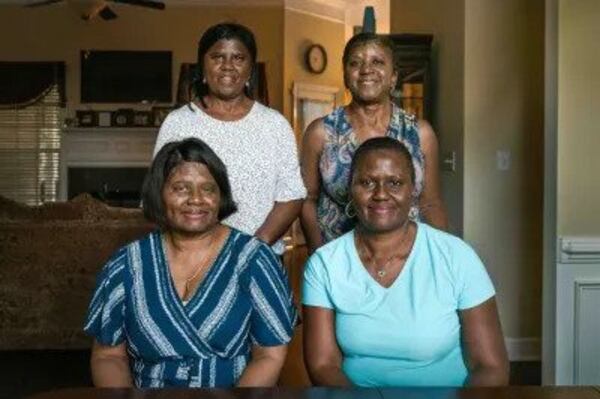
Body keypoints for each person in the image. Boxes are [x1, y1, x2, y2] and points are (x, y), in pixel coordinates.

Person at [84, 138, 297, 388]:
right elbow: (108, 356)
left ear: (221, 197)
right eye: (181, 188)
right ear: (159, 194)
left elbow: (270, 356)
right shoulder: (126, 265)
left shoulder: (255, 260)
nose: (196, 199)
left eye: (208, 189)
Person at [302, 137, 508, 387]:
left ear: (413, 190)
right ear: (350, 189)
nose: (380, 194)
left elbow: (490, 367)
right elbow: (323, 365)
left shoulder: (457, 257)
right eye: (366, 182)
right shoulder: (325, 264)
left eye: (395, 183)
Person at [153, 23, 306, 255]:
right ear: (202, 66)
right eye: (217, 57)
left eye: (238, 58)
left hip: (260, 256)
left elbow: (292, 195)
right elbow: (159, 192)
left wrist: (254, 248)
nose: (227, 66)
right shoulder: (178, 123)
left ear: (250, 69)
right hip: (191, 258)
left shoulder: (275, 125)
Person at [300, 32, 448, 253]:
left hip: (407, 256)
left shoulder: (420, 134)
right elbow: (307, 200)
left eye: (377, 62)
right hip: (339, 256)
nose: (366, 69)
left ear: (393, 77)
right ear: (345, 76)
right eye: (355, 63)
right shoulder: (321, 133)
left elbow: (431, 203)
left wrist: (444, 254)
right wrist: (319, 255)